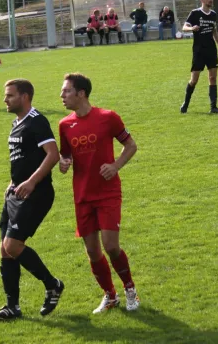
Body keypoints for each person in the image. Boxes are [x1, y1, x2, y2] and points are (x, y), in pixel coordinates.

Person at [58, 73, 139, 314]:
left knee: (111, 245)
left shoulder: (107, 117)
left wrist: (115, 166)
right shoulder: (65, 124)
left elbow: (131, 145)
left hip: (107, 193)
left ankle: (130, 288)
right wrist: (64, 163)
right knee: (93, 251)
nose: (62, 96)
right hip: (82, 195)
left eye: (66, 91)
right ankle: (110, 296)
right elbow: (66, 155)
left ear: (81, 94)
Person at [0, 79, 64, 322]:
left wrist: (31, 182)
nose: (5, 99)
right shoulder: (17, 123)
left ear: (24, 97)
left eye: (10, 95)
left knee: (12, 246)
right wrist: (12, 183)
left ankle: (52, 284)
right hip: (16, 192)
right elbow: (22, 158)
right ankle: (12, 307)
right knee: (4, 249)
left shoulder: (37, 121)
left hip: (36, 193)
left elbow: (53, 155)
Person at [180, 0, 218, 114]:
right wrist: (191, 28)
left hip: (211, 49)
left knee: (213, 78)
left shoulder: (213, 14)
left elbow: (214, 30)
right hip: (199, 50)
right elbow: (184, 27)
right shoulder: (195, 13)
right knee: (194, 80)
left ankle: (213, 107)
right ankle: (185, 104)